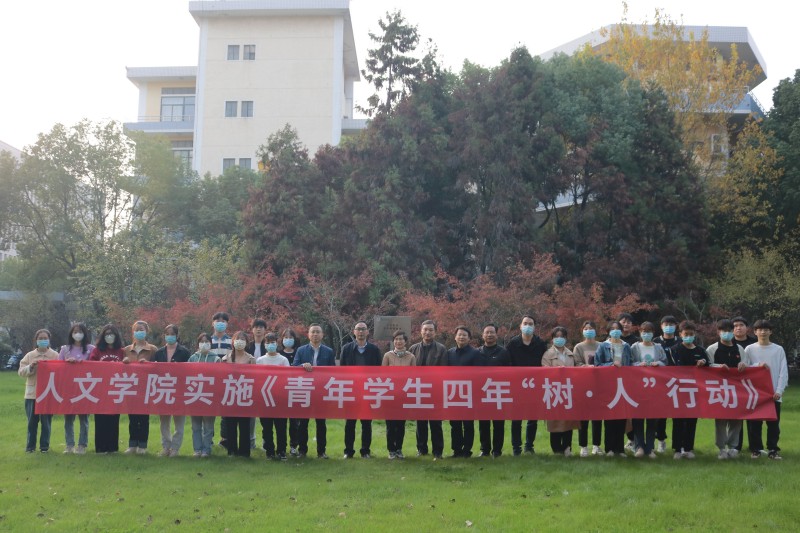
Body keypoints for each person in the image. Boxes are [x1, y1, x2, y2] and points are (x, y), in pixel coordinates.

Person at [745, 319, 788, 460]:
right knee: (754, 424)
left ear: (771, 332)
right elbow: (744, 368)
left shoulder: (778, 349)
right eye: (760, 329)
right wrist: (758, 365)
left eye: (766, 329)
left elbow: (783, 371)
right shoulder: (749, 349)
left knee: (773, 424)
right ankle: (756, 449)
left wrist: (779, 390)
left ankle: (773, 450)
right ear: (755, 332)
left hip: (773, 393)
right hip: (755, 393)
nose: (763, 332)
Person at [505, 315, 547, 455]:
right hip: (517, 386)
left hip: (535, 385)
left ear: (534, 327)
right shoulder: (513, 343)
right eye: (525, 323)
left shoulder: (540, 343)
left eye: (530, 324)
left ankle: (529, 446)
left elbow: (545, 363)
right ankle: (516, 448)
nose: (528, 326)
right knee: (516, 419)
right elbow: (508, 363)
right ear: (520, 326)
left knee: (532, 418)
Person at [292, 324, 335, 458]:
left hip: (321, 391)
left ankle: (321, 451)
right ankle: (302, 450)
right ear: (308, 335)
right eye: (313, 332)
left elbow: (333, 371)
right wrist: (302, 366)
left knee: (321, 423)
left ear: (322, 335)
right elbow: (294, 368)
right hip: (305, 390)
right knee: (302, 423)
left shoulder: (329, 351)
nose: (315, 334)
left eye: (318, 332)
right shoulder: (301, 350)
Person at [340, 322, 382, 459]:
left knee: (366, 423)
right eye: (358, 329)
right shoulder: (346, 349)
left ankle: (365, 451)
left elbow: (379, 371)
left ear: (367, 332)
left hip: (368, 391)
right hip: (351, 391)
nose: (361, 332)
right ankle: (348, 451)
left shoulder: (374, 350)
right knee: (350, 423)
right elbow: (342, 370)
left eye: (363, 329)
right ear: (354, 332)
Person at [706, 319, 747, 459]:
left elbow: (746, 365)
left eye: (729, 331)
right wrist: (718, 367)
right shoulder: (712, 349)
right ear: (718, 332)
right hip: (719, 390)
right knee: (721, 420)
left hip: (737, 390)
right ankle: (722, 448)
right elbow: (707, 367)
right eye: (724, 331)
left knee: (737, 418)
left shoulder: (739, 349)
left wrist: (743, 365)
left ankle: (733, 447)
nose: (727, 333)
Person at [409, 320, 448, 460]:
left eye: (431, 330)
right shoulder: (413, 348)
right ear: (421, 331)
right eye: (425, 329)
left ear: (435, 332)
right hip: (418, 390)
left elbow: (444, 371)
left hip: (435, 390)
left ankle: (438, 451)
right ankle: (422, 449)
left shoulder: (441, 349)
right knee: (420, 422)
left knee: (435, 422)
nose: (428, 332)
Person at [670, 320, 710, 459]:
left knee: (692, 420)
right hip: (678, 390)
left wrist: (703, 362)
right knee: (678, 420)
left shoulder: (700, 350)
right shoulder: (674, 349)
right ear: (680, 334)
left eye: (691, 334)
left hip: (695, 391)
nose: (688, 336)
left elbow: (709, 367)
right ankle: (677, 449)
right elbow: (670, 369)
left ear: (694, 335)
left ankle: (688, 448)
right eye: (686, 334)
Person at [594, 320, 632, 457]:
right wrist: (611, 364)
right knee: (609, 418)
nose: (615, 331)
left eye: (618, 328)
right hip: (608, 385)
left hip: (623, 385)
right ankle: (609, 449)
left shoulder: (626, 346)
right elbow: (597, 364)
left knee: (622, 417)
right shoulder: (602, 346)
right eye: (612, 329)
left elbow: (630, 363)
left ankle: (620, 449)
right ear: (608, 331)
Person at [152, 324, 191, 457]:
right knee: (164, 422)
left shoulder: (184, 352)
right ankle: (166, 446)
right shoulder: (159, 352)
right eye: (167, 334)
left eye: (172, 334)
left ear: (177, 335)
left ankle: (175, 448)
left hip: (179, 390)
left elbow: (189, 370)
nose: (170, 336)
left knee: (179, 421)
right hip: (164, 389)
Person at [630, 322, 667, 459]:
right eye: (644, 331)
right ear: (640, 332)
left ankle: (650, 448)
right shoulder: (635, 347)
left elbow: (665, 362)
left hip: (654, 388)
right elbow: (630, 363)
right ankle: (639, 446)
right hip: (637, 387)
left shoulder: (658, 347)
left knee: (652, 419)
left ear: (653, 333)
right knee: (638, 419)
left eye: (649, 331)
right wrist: (638, 364)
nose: (646, 334)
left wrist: (659, 364)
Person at [541, 326, 580, 457]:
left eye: (562, 336)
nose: (559, 339)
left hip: (569, 391)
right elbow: (544, 371)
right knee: (555, 421)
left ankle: (567, 447)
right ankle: (557, 449)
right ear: (552, 339)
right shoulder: (547, 354)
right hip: (554, 391)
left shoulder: (571, 354)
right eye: (556, 336)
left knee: (568, 421)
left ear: (566, 338)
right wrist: (557, 371)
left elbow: (577, 370)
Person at [19, 329, 59, 453]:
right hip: (32, 394)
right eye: (40, 338)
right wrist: (30, 366)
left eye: (45, 338)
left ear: (49, 340)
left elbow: (60, 372)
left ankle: (44, 447)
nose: (42, 340)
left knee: (46, 422)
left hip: (48, 394)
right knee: (32, 422)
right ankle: (30, 447)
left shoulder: (55, 355)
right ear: (36, 340)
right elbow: (21, 372)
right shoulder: (30, 355)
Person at [122, 320, 159, 455]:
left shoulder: (152, 349)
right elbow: (119, 369)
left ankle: (142, 445)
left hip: (146, 387)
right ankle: (132, 444)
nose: (139, 332)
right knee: (132, 418)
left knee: (143, 418)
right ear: (133, 332)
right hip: (130, 387)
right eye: (136, 330)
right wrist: (124, 362)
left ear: (146, 332)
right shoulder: (126, 350)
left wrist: (148, 364)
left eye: (141, 330)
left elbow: (158, 366)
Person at [58, 323, 95, 454]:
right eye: (75, 332)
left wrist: (84, 364)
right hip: (69, 387)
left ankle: (82, 445)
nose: (78, 334)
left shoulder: (91, 349)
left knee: (84, 418)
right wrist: (67, 363)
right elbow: (58, 366)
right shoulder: (65, 349)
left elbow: (96, 366)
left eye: (80, 331)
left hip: (85, 387)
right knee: (68, 418)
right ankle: (69, 445)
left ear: (85, 334)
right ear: (71, 334)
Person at [447, 325, 483, 458]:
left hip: (469, 394)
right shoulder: (449, 353)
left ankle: (467, 450)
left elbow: (479, 375)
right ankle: (456, 450)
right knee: (454, 424)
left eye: (464, 335)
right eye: (459, 335)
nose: (461, 337)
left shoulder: (475, 353)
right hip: (453, 393)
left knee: (468, 424)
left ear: (469, 338)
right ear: (455, 337)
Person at [89, 324, 126, 453]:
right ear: (103, 336)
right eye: (107, 334)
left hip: (116, 389)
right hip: (100, 389)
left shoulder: (121, 351)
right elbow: (90, 365)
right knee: (100, 418)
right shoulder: (97, 350)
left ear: (116, 336)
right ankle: (100, 447)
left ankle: (112, 447)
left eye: (112, 334)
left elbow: (127, 367)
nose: (109, 336)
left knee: (114, 418)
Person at [221, 331, 256, 457]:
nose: (239, 342)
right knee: (230, 424)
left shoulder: (251, 359)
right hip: (230, 394)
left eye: (242, 339)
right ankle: (232, 450)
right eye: (237, 339)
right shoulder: (225, 359)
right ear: (233, 341)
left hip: (245, 394)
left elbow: (255, 377)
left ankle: (244, 452)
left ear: (246, 342)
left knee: (244, 424)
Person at [382, 330, 417, 459]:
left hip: (404, 395)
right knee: (390, 425)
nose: (398, 341)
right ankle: (391, 450)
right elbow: (382, 375)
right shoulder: (388, 356)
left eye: (401, 339)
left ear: (405, 341)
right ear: (393, 341)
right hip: (390, 395)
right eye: (396, 339)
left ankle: (399, 449)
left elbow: (414, 376)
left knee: (401, 425)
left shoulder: (411, 357)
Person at [256, 332, 290, 460]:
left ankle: (281, 451)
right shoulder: (260, 360)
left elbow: (287, 378)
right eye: (268, 342)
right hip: (265, 399)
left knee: (281, 427)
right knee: (267, 427)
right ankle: (269, 451)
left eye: (273, 342)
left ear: (277, 343)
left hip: (280, 398)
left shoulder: (283, 360)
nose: (270, 345)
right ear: (264, 345)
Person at [478, 324, 509, 458]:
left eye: (492, 332)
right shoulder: (477, 352)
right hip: (482, 392)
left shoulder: (503, 352)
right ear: (483, 335)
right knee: (483, 423)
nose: (489, 335)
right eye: (487, 332)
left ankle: (497, 450)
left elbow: (510, 372)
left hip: (498, 392)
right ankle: (484, 450)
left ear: (497, 335)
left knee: (498, 424)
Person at [187, 332, 220, 457]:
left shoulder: (216, 359)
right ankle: (197, 449)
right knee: (196, 426)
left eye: (207, 342)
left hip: (209, 397)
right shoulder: (193, 358)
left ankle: (206, 449)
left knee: (208, 426)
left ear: (211, 344)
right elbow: (186, 375)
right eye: (202, 342)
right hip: (195, 395)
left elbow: (219, 378)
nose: (204, 344)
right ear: (198, 344)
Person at [573, 321, 602, 457]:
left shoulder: (601, 346)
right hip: (583, 385)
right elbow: (576, 363)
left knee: (597, 418)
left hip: (599, 385)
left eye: (591, 328)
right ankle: (583, 446)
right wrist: (586, 367)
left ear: (596, 330)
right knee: (583, 418)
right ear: (582, 330)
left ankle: (596, 445)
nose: (589, 330)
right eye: (586, 328)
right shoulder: (578, 347)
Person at [653, 315, 680, 453]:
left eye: (671, 324)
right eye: (666, 324)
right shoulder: (655, 342)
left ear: (676, 326)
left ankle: (678, 445)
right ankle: (661, 440)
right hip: (659, 383)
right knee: (660, 415)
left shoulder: (681, 341)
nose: (668, 327)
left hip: (678, 383)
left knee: (677, 415)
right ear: (661, 326)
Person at [731, 316, 757, 453]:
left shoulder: (755, 343)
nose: (738, 328)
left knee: (753, 417)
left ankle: (755, 447)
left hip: (752, 385)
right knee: (737, 418)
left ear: (747, 328)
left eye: (741, 325)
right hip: (734, 385)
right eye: (735, 326)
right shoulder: (728, 344)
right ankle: (736, 447)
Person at [246, 318, 270, 450]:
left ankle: (267, 443)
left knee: (266, 415)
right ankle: (251, 442)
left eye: (261, 327)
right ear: (252, 330)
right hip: (249, 384)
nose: (259, 329)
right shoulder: (247, 346)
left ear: (265, 330)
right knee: (250, 415)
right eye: (256, 327)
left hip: (266, 384)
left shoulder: (270, 346)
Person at [210, 312, 232, 449]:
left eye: (223, 321)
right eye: (217, 320)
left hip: (226, 381)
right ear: (212, 323)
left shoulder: (231, 341)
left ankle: (225, 439)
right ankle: (209, 438)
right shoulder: (207, 341)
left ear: (227, 324)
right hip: (210, 381)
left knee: (226, 411)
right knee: (209, 411)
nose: (220, 323)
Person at [280, 327, 300, 456]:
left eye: (290, 337)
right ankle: (281, 446)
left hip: (295, 390)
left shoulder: (299, 352)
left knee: (295, 422)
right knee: (281, 421)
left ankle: (294, 446)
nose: (288, 340)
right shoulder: (278, 353)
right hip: (281, 392)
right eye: (285, 337)